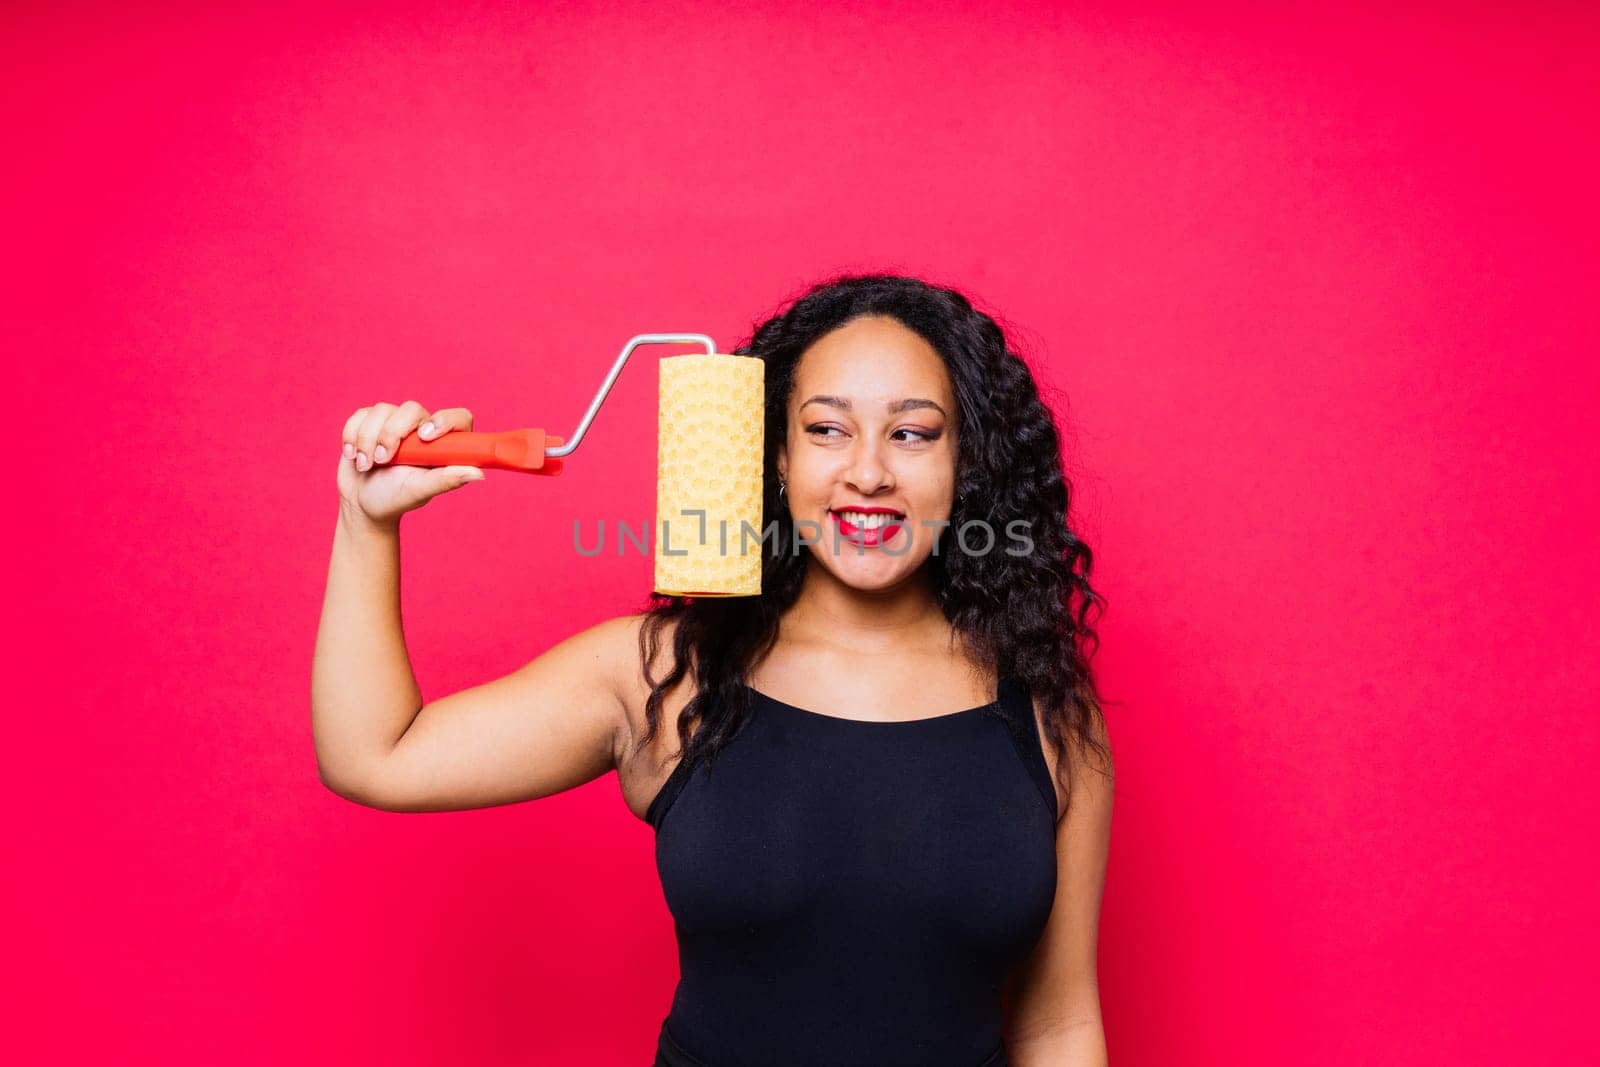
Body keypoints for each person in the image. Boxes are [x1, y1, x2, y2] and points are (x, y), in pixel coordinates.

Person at [312, 273, 1115, 1066]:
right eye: (827, 429)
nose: (869, 472)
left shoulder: (1044, 711)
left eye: (912, 433)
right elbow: (376, 753)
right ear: (774, 455)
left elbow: (1058, 1026)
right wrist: (365, 519)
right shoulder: (668, 674)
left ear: (964, 463)